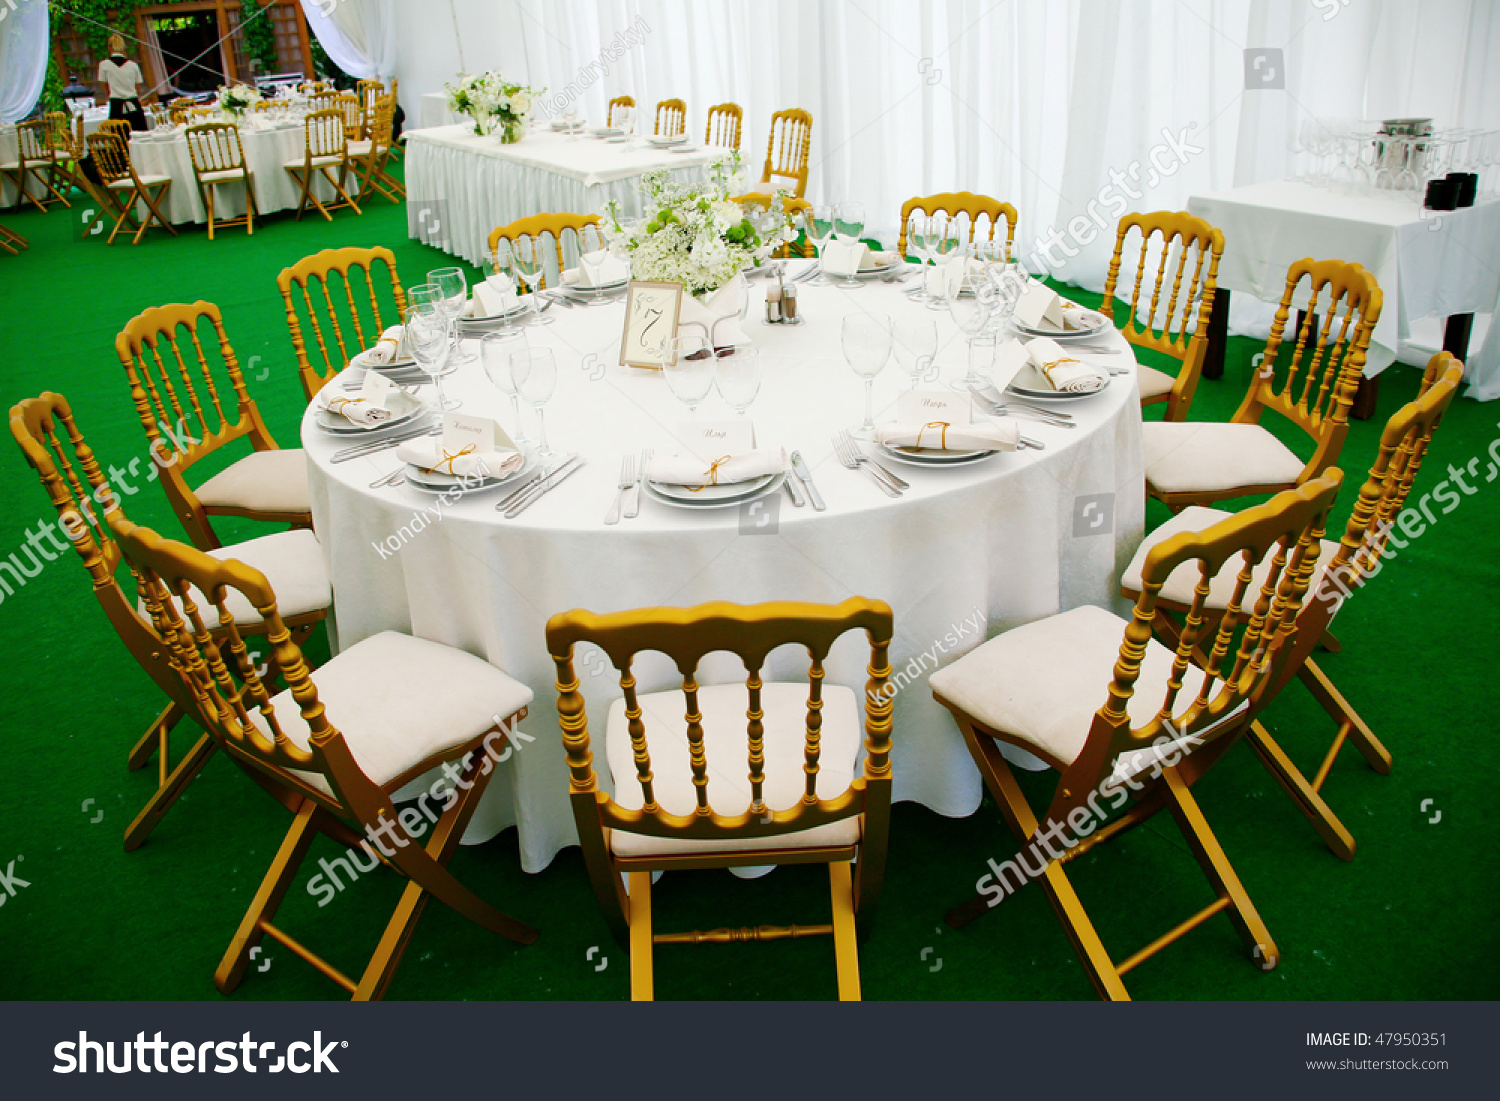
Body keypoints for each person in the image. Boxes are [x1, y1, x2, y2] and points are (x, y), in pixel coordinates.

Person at [97, 33, 148, 132]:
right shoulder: (133, 65)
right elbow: (137, 87)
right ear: (124, 48)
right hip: (133, 104)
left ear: (109, 47)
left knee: (119, 136)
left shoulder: (104, 65)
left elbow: (104, 85)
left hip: (116, 105)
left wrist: (112, 93)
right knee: (139, 134)